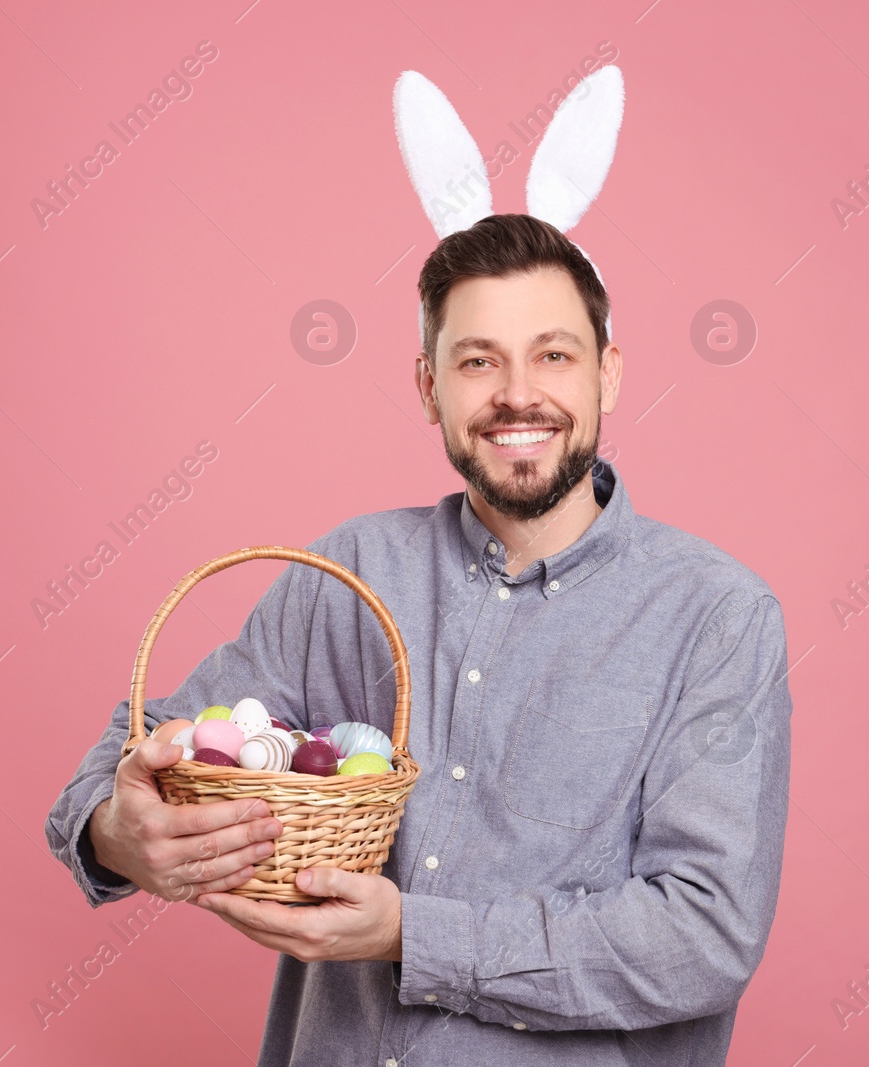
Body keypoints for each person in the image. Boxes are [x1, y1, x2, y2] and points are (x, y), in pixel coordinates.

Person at [45, 212, 793, 1066]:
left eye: (554, 354)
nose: (518, 393)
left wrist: (414, 936)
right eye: (478, 360)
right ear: (429, 386)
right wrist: (115, 829)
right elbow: (141, 742)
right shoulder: (352, 574)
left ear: (608, 374)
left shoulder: (717, 616)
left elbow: (703, 936)